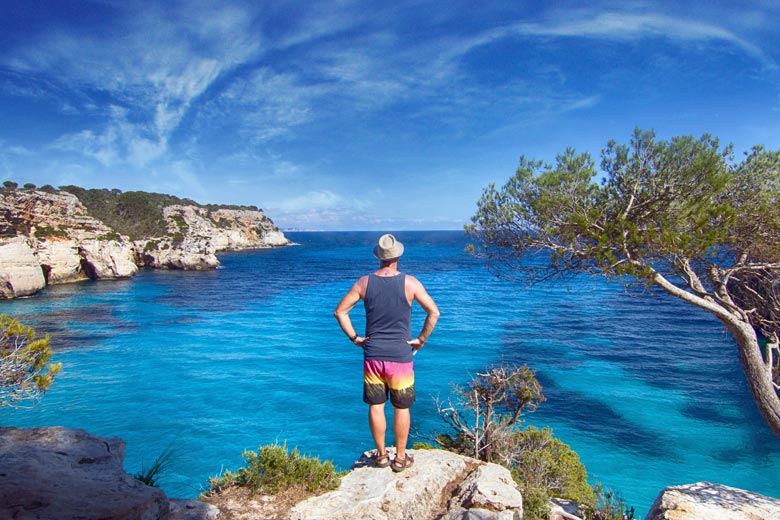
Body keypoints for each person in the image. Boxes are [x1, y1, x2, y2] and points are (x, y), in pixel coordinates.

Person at [334, 234, 440, 472]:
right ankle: (400, 458)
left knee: (376, 406)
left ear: (378, 257)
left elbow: (340, 312)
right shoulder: (410, 283)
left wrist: (355, 339)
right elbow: (434, 312)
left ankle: (381, 456)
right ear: (398, 256)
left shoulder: (364, 283)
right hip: (401, 356)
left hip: (373, 355)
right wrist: (421, 340)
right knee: (401, 408)